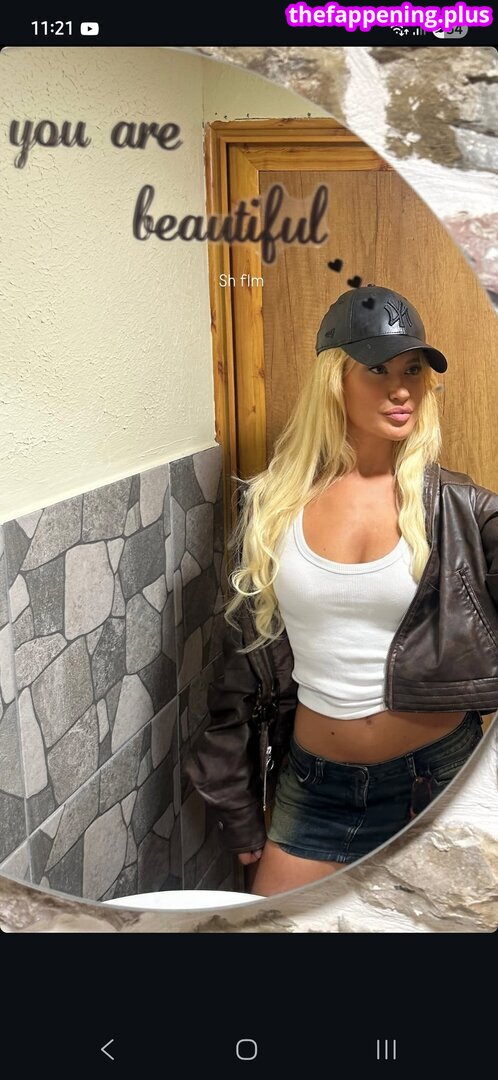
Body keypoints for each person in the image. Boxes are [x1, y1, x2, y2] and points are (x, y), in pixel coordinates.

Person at [185, 285, 498, 897]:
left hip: (443, 776)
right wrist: (237, 803)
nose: (401, 389)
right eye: (378, 369)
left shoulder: (463, 509)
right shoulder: (272, 506)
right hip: (318, 786)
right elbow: (240, 671)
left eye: (413, 370)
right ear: (335, 380)